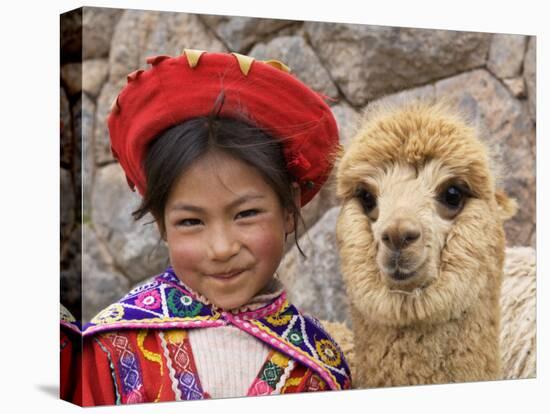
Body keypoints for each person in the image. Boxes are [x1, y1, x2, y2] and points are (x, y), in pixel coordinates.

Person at [77, 49, 351, 406]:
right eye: (191, 221)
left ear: (288, 208)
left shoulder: (319, 368)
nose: (221, 248)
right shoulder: (110, 350)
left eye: (246, 214)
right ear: (162, 224)